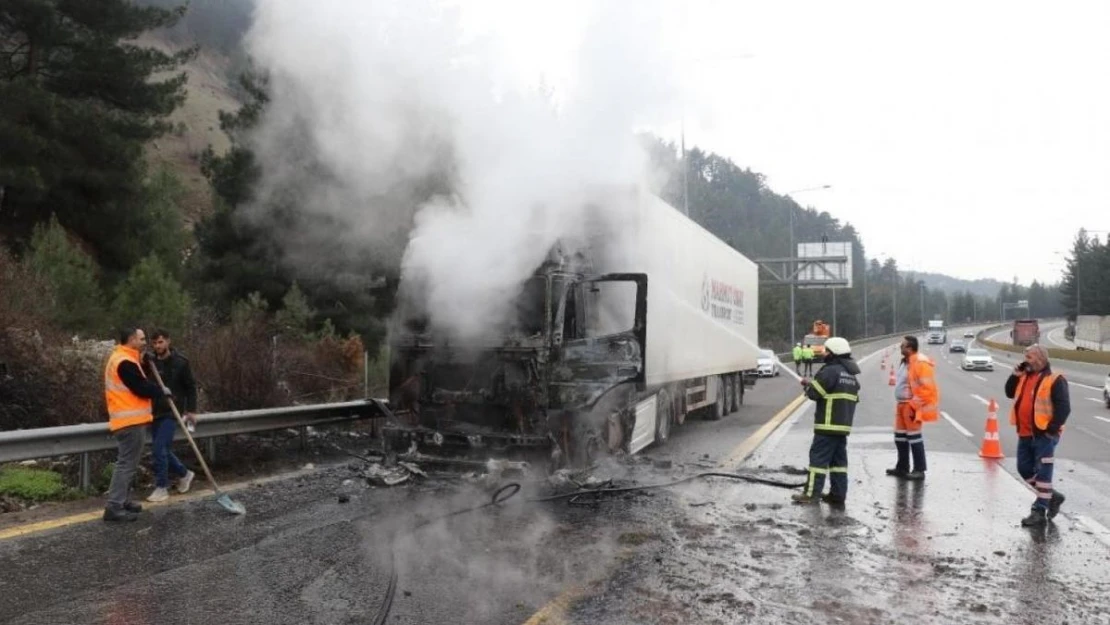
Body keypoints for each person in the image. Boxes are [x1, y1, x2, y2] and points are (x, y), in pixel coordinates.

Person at [103, 327, 171, 522]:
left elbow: (139, 380)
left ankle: (122, 500)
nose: (144, 342)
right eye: (141, 339)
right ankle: (114, 506)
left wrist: (147, 363)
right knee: (126, 464)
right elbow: (140, 387)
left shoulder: (127, 358)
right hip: (129, 421)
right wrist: (161, 391)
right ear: (132, 339)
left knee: (129, 464)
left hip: (130, 420)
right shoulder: (124, 361)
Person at [1004, 344, 1070, 527]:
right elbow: (1009, 393)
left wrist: (1051, 430)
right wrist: (1014, 376)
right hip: (1025, 433)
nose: (1026, 360)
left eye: (1030, 357)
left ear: (1041, 359)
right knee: (1024, 469)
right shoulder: (1024, 376)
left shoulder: (1054, 379)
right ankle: (1052, 496)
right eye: (1026, 356)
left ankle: (1039, 511)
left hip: (1044, 435)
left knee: (1043, 473)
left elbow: (1064, 407)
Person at [792, 336, 860, 506]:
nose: (824, 353)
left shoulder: (830, 371)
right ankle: (838, 495)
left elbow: (815, 394)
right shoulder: (850, 375)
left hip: (827, 426)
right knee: (838, 464)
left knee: (818, 461)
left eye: (826, 350)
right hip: (842, 428)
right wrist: (812, 384)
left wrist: (808, 385)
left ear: (834, 353)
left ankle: (810, 495)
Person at [144, 329, 197, 503]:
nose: (158, 346)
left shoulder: (181, 363)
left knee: (159, 449)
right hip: (154, 411)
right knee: (163, 450)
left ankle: (162, 487)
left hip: (171, 411)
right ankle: (184, 473)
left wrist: (191, 410)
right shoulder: (151, 363)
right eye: (155, 343)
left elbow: (190, 387)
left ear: (168, 341)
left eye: (161, 342)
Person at [886, 336, 939, 481]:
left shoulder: (920, 363)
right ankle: (902, 467)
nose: (900, 348)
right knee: (900, 438)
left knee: (914, 439)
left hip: (911, 405)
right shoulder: (906, 362)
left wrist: (913, 406)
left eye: (902, 346)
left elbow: (927, 389)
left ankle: (919, 470)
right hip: (902, 405)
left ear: (909, 348)